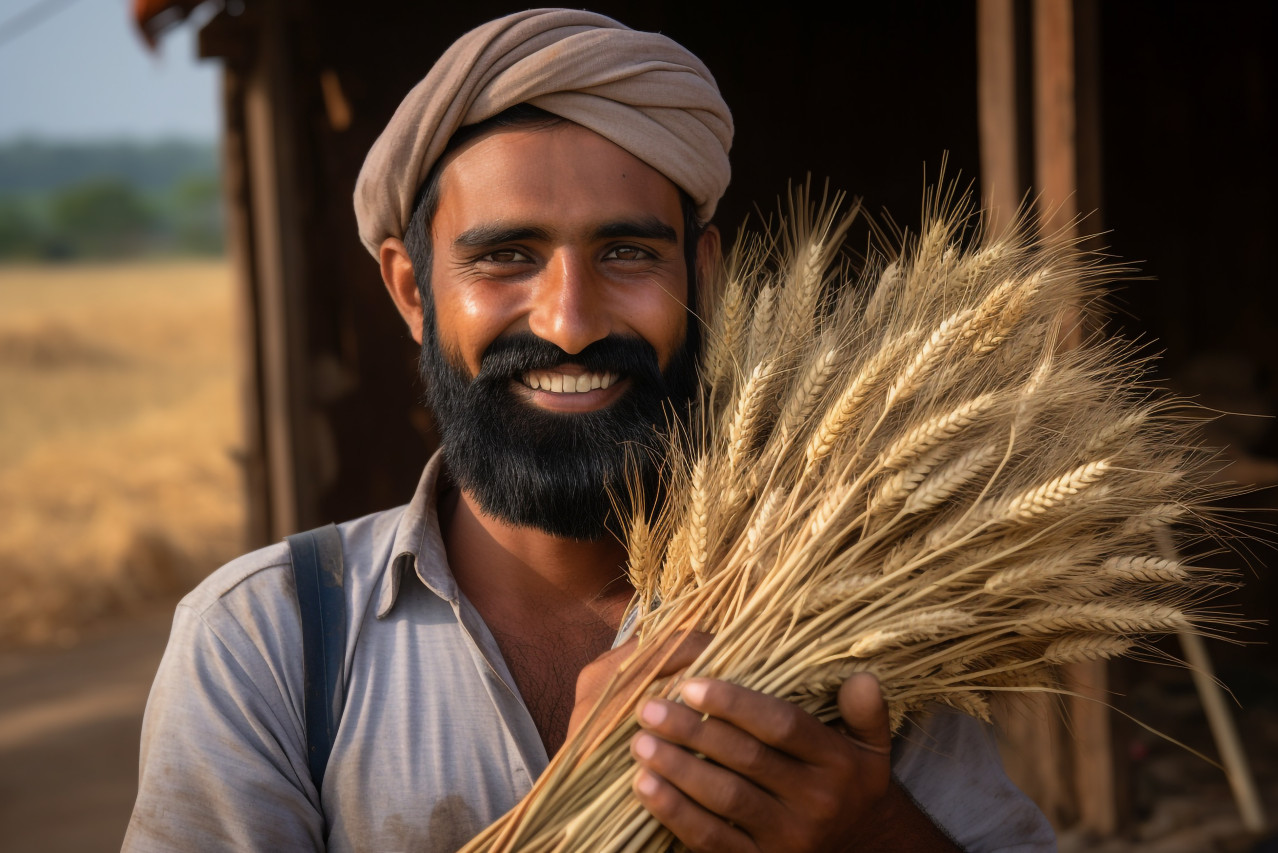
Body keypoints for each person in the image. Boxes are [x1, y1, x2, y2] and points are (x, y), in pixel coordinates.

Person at [124, 9, 1055, 852]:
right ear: (412, 290)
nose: (570, 322)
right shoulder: (264, 644)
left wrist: (871, 836)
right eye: (507, 257)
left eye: (625, 252)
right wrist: (578, 805)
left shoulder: (842, 601)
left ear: (704, 274)